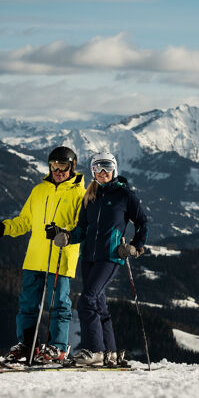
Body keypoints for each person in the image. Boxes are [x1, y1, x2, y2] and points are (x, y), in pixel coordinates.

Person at [0, 146, 85, 362]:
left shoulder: (80, 194)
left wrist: (62, 232)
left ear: (72, 167)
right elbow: (25, 221)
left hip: (61, 258)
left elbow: (81, 228)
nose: (58, 170)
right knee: (28, 304)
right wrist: (4, 228)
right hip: (34, 257)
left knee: (59, 304)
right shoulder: (39, 190)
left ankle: (57, 347)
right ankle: (27, 345)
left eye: (63, 166)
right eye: (54, 166)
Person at [53, 151, 148, 367]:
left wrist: (135, 247)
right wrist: (67, 237)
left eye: (106, 167)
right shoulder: (90, 197)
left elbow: (142, 223)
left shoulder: (125, 196)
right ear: (92, 171)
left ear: (115, 169)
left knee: (87, 300)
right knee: (98, 303)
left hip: (111, 256)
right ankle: (110, 353)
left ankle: (94, 350)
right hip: (89, 257)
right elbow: (82, 229)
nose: (102, 172)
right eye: (97, 167)